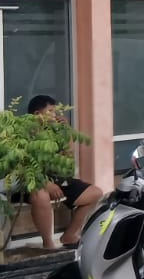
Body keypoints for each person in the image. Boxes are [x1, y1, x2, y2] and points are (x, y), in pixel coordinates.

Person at [25, 95, 105, 249]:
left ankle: (70, 234)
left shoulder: (55, 132)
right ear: (37, 114)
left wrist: (67, 133)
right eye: (50, 111)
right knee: (41, 195)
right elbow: (24, 166)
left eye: (55, 111)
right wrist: (46, 183)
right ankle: (48, 243)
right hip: (31, 181)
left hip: (58, 179)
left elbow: (68, 161)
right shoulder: (25, 134)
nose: (54, 115)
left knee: (95, 193)